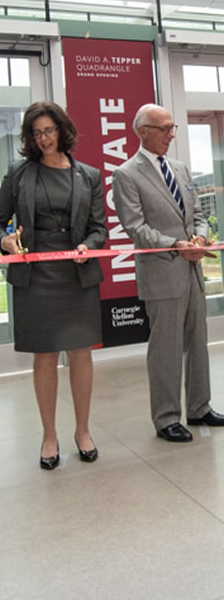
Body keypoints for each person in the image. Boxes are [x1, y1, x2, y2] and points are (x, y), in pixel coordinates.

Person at [112, 104, 224, 442]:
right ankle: (166, 418)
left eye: (172, 127)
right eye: (164, 128)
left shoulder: (179, 168)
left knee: (198, 342)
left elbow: (197, 214)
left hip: (192, 270)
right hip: (162, 272)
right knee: (164, 349)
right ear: (143, 131)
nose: (171, 134)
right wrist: (176, 243)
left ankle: (199, 407)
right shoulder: (126, 174)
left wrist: (200, 237)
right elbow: (135, 227)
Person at [0, 101, 106, 470]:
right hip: (35, 276)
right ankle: (49, 436)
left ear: (62, 129)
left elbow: (99, 230)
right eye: (36, 133)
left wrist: (88, 248)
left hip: (76, 274)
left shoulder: (89, 175)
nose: (43, 138)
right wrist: (6, 241)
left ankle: (82, 431)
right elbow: (0, 223)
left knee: (80, 353)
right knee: (44, 356)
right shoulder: (18, 174)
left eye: (48, 130)